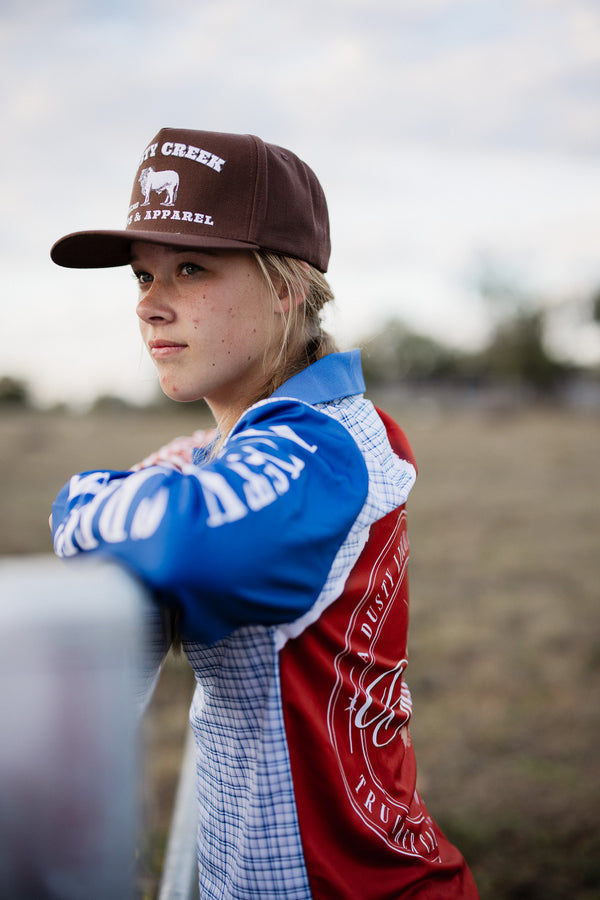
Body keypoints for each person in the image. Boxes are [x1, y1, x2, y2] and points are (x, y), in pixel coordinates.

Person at [50, 127, 479, 898]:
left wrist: (79, 498)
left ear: (286, 287)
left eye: (190, 268)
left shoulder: (322, 444)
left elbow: (187, 546)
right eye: (143, 275)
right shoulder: (245, 450)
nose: (149, 304)